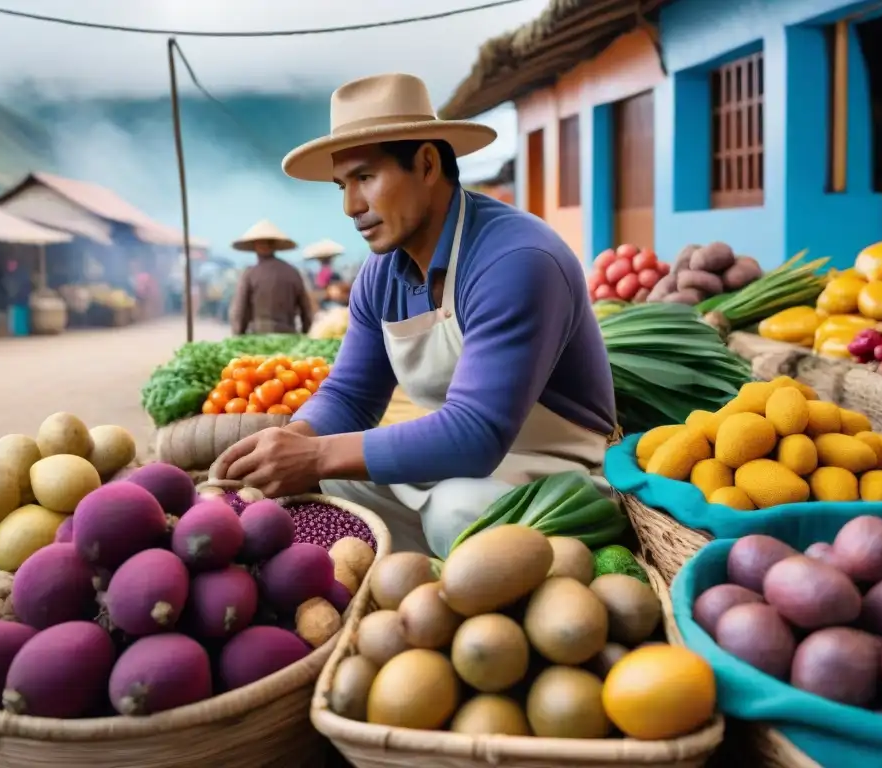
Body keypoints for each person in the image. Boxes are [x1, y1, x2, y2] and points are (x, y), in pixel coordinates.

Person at [211, 73, 616, 557]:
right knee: (326, 489)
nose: (350, 206)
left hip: (552, 474)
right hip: (448, 462)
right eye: (342, 185)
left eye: (365, 177)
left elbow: (476, 433)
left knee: (455, 511)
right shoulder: (380, 273)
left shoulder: (516, 260)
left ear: (426, 164)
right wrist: (294, 439)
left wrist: (318, 453)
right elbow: (352, 394)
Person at [229, 220, 314, 335]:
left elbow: (239, 312)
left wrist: (238, 334)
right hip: (288, 335)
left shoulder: (250, 274)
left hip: (258, 336)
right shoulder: (292, 272)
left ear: (255, 246)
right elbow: (306, 311)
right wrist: (305, 334)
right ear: (274, 245)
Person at [304, 239, 346, 309]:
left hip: (327, 303)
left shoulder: (323, 272)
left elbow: (320, 286)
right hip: (333, 302)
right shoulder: (330, 272)